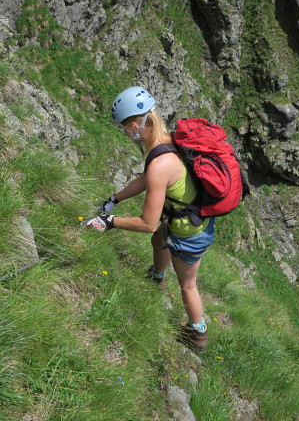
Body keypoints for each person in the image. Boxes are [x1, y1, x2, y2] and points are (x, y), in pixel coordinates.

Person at [85, 86, 215, 352]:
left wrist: (110, 222)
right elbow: (147, 180)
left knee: (188, 284)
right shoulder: (167, 142)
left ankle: (197, 334)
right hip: (189, 217)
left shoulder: (159, 164)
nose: (125, 133)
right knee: (160, 238)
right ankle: (156, 276)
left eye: (125, 127)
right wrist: (115, 199)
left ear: (136, 124)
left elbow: (147, 224)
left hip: (190, 232)